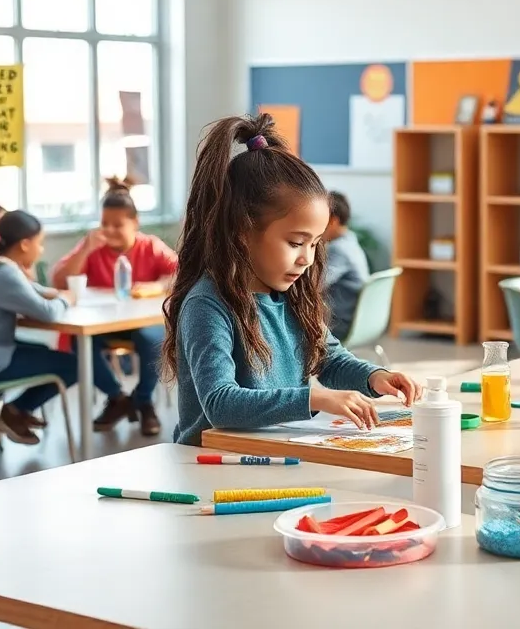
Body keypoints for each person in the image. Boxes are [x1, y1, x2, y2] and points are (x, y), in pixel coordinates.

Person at [165, 114, 422, 447]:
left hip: (273, 454)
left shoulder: (290, 296)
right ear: (243, 233)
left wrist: (376, 377)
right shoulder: (208, 304)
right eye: (296, 242)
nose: (308, 258)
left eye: (314, 243)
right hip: (212, 463)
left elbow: (329, 358)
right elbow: (220, 404)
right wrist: (313, 398)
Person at [0, 211, 118, 446]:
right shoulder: (6, 273)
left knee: (41, 348)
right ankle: (13, 410)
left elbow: (30, 288)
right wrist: (66, 299)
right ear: (24, 244)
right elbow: (47, 313)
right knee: (74, 365)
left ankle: (13, 411)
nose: (41, 250)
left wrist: (54, 293)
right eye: (40, 244)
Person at [51, 176, 177, 436]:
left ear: (135, 223)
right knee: (78, 343)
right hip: (103, 325)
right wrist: (85, 249)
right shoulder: (93, 248)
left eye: (117, 225)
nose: (109, 231)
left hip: (142, 324)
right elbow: (59, 279)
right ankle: (118, 399)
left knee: (152, 340)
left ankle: (142, 400)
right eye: (104, 224)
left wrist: (156, 286)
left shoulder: (150, 246)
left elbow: (184, 273)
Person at [321, 191, 370, 340]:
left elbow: (317, 284)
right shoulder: (351, 242)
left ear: (333, 221)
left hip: (341, 322)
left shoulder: (339, 249)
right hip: (361, 320)